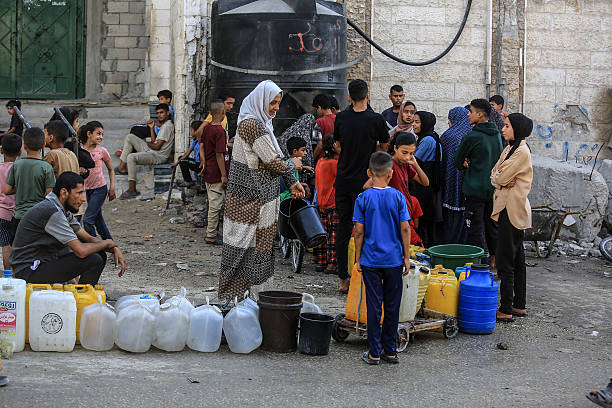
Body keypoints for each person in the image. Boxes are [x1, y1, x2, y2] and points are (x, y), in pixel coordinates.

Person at [218, 80, 305, 298]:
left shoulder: (262, 125)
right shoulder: (251, 125)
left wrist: (292, 180)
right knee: (242, 250)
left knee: (260, 249)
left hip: (260, 199)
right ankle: (237, 301)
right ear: (261, 101)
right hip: (249, 201)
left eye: (278, 103)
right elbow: (273, 161)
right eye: (272, 103)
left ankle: (256, 300)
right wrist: (292, 166)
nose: (276, 108)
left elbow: (273, 159)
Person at [10, 172, 126, 284]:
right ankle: (82, 300)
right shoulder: (52, 211)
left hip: (44, 261)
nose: (83, 199)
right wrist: (107, 243)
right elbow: (81, 251)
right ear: (64, 193)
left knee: (99, 253)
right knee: (93, 259)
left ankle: (82, 295)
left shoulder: (61, 208)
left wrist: (113, 247)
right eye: (79, 193)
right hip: (29, 270)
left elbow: (88, 238)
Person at [353, 152, 411, 365]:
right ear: (391, 173)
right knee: (392, 305)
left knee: (374, 305)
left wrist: (358, 258)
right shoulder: (398, 197)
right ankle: (391, 351)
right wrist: (407, 256)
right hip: (394, 260)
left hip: (370, 261)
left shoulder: (363, 198)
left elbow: (359, 231)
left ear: (369, 173)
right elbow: (405, 228)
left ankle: (374, 352)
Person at [334, 79, 389, 293]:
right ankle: (365, 275)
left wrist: (347, 153)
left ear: (349, 97)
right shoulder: (376, 120)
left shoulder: (342, 118)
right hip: (367, 182)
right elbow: (384, 147)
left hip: (344, 180)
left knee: (344, 227)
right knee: (368, 228)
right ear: (368, 95)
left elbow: (337, 144)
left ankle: (342, 280)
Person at [490, 113, 533, 322]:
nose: (503, 129)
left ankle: (506, 308)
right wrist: (499, 179)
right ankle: (518, 306)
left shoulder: (522, 151)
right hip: (508, 207)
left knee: (507, 259)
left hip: (513, 210)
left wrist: (499, 178)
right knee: (516, 258)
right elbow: (495, 174)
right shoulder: (510, 148)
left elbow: (502, 176)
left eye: (507, 126)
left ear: (517, 129)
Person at [454, 98, 503, 269]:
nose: (468, 114)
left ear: (480, 115)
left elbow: (457, 162)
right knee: (492, 227)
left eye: (472, 111)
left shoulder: (472, 136)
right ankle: (494, 264)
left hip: (474, 191)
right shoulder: (497, 134)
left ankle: (481, 265)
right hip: (493, 189)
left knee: (475, 229)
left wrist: (466, 162)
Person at [4, 127, 55, 242]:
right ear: (43, 145)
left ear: (24, 145)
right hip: (38, 217)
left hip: (18, 216)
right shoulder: (46, 167)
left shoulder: (17, 164)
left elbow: (7, 190)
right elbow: (50, 195)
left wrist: (22, 187)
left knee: (18, 250)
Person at [115, 103, 175, 199]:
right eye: (158, 113)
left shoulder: (168, 126)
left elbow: (157, 146)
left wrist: (146, 144)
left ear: (168, 113)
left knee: (131, 157)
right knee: (130, 137)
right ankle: (121, 167)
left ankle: (132, 190)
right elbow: (153, 141)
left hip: (158, 156)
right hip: (152, 151)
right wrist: (151, 128)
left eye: (162, 112)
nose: (159, 115)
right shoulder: (164, 125)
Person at [386, 132, 429, 246]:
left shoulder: (406, 164)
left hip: (406, 212)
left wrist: (415, 164)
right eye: (404, 152)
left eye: (411, 153)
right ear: (395, 148)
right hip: (393, 214)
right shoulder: (388, 164)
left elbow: (425, 182)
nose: (407, 157)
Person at [199, 101, 230, 245]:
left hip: (210, 169)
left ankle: (213, 231)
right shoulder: (220, 131)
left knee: (214, 202)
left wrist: (203, 161)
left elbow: (202, 145)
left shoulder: (207, 129)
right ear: (223, 114)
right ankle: (211, 235)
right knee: (215, 204)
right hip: (216, 172)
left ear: (210, 114)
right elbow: (219, 154)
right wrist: (224, 174)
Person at [439, 107, 472, 244]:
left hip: (449, 183)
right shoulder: (471, 135)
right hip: (466, 185)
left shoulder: (448, 136)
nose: (448, 123)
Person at [412, 111, 443, 247]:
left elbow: (413, 160)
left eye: (417, 122)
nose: (414, 124)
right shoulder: (431, 137)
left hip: (425, 186)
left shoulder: (428, 140)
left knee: (424, 220)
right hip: (429, 186)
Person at [80, 121, 115, 240]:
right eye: (98, 134)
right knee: (98, 221)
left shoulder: (101, 151)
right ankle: (111, 246)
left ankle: (95, 248)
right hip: (88, 190)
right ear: (89, 134)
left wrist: (112, 188)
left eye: (102, 134)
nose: (101, 137)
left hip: (100, 189)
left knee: (88, 220)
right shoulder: (80, 150)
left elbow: (111, 169)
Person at [313, 134, 340, 273]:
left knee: (323, 235)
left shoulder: (320, 162)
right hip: (333, 203)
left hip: (321, 203)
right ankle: (331, 264)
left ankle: (321, 262)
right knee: (333, 236)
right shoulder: (336, 164)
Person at [50, 107, 95, 179]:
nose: (78, 124)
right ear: (69, 122)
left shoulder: (56, 140)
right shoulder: (69, 143)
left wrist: (84, 169)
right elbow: (90, 162)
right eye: (76, 121)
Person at [0, 134, 21, 268]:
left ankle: (8, 275)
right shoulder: (21, 168)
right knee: (18, 245)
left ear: (1, 150)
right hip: (18, 213)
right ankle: (19, 272)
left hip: (1, 213)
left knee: (5, 245)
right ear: (20, 152)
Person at [172, 120, 203, 188]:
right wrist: (177, 163)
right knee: (181, 158)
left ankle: (189, 181)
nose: (190, 132)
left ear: (196, 131)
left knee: (183, 161)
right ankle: (188, 180)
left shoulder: (203, 141)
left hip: (201, 164)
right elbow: (187, 153)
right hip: (197, 163)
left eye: (191, 129)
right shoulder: (195, 141)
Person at [280, 137, 312, 201]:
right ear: (295, 151)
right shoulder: (289, 167)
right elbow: (289, 185)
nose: (305, 153)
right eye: (303, 150)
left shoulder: (291, 164)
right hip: (287, 198)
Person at [312, 94, 336, 160]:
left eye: (317, 109)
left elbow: (319, 145)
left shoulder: (319, 122)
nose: (317, 111)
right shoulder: (339, 119)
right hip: (338, 158)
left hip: (324, 158)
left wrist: (313, 158)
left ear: (319, 107)